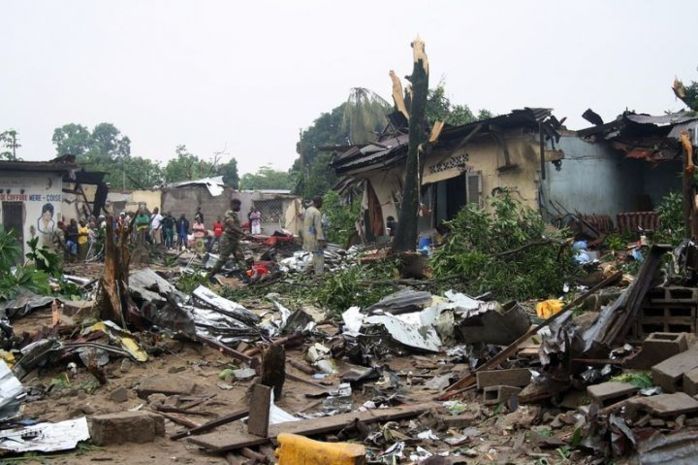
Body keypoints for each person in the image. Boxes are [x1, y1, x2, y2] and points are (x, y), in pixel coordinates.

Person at [207, 199, 245, 279]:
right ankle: (209, 276)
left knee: (240, 257)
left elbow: (235, 226)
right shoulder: (229, 213)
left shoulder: (234, 214)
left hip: (234, 240)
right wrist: (242, 232)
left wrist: (241, 232)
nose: (239, 207)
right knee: (223, 259)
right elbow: (231, 225)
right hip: (228, 239)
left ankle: (246, 277)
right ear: (233, 204)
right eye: (238, 205)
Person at [303, 196, 326, 276]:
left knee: (314, 255)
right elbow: (318, 227)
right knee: (319, 257)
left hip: (307, 236)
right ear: (318, 203)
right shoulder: (317, 212)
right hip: (314, 237)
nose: (322, 205)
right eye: (321, 203)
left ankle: (305, 272)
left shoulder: (308, 210)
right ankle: (319, 275)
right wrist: (321, 240)